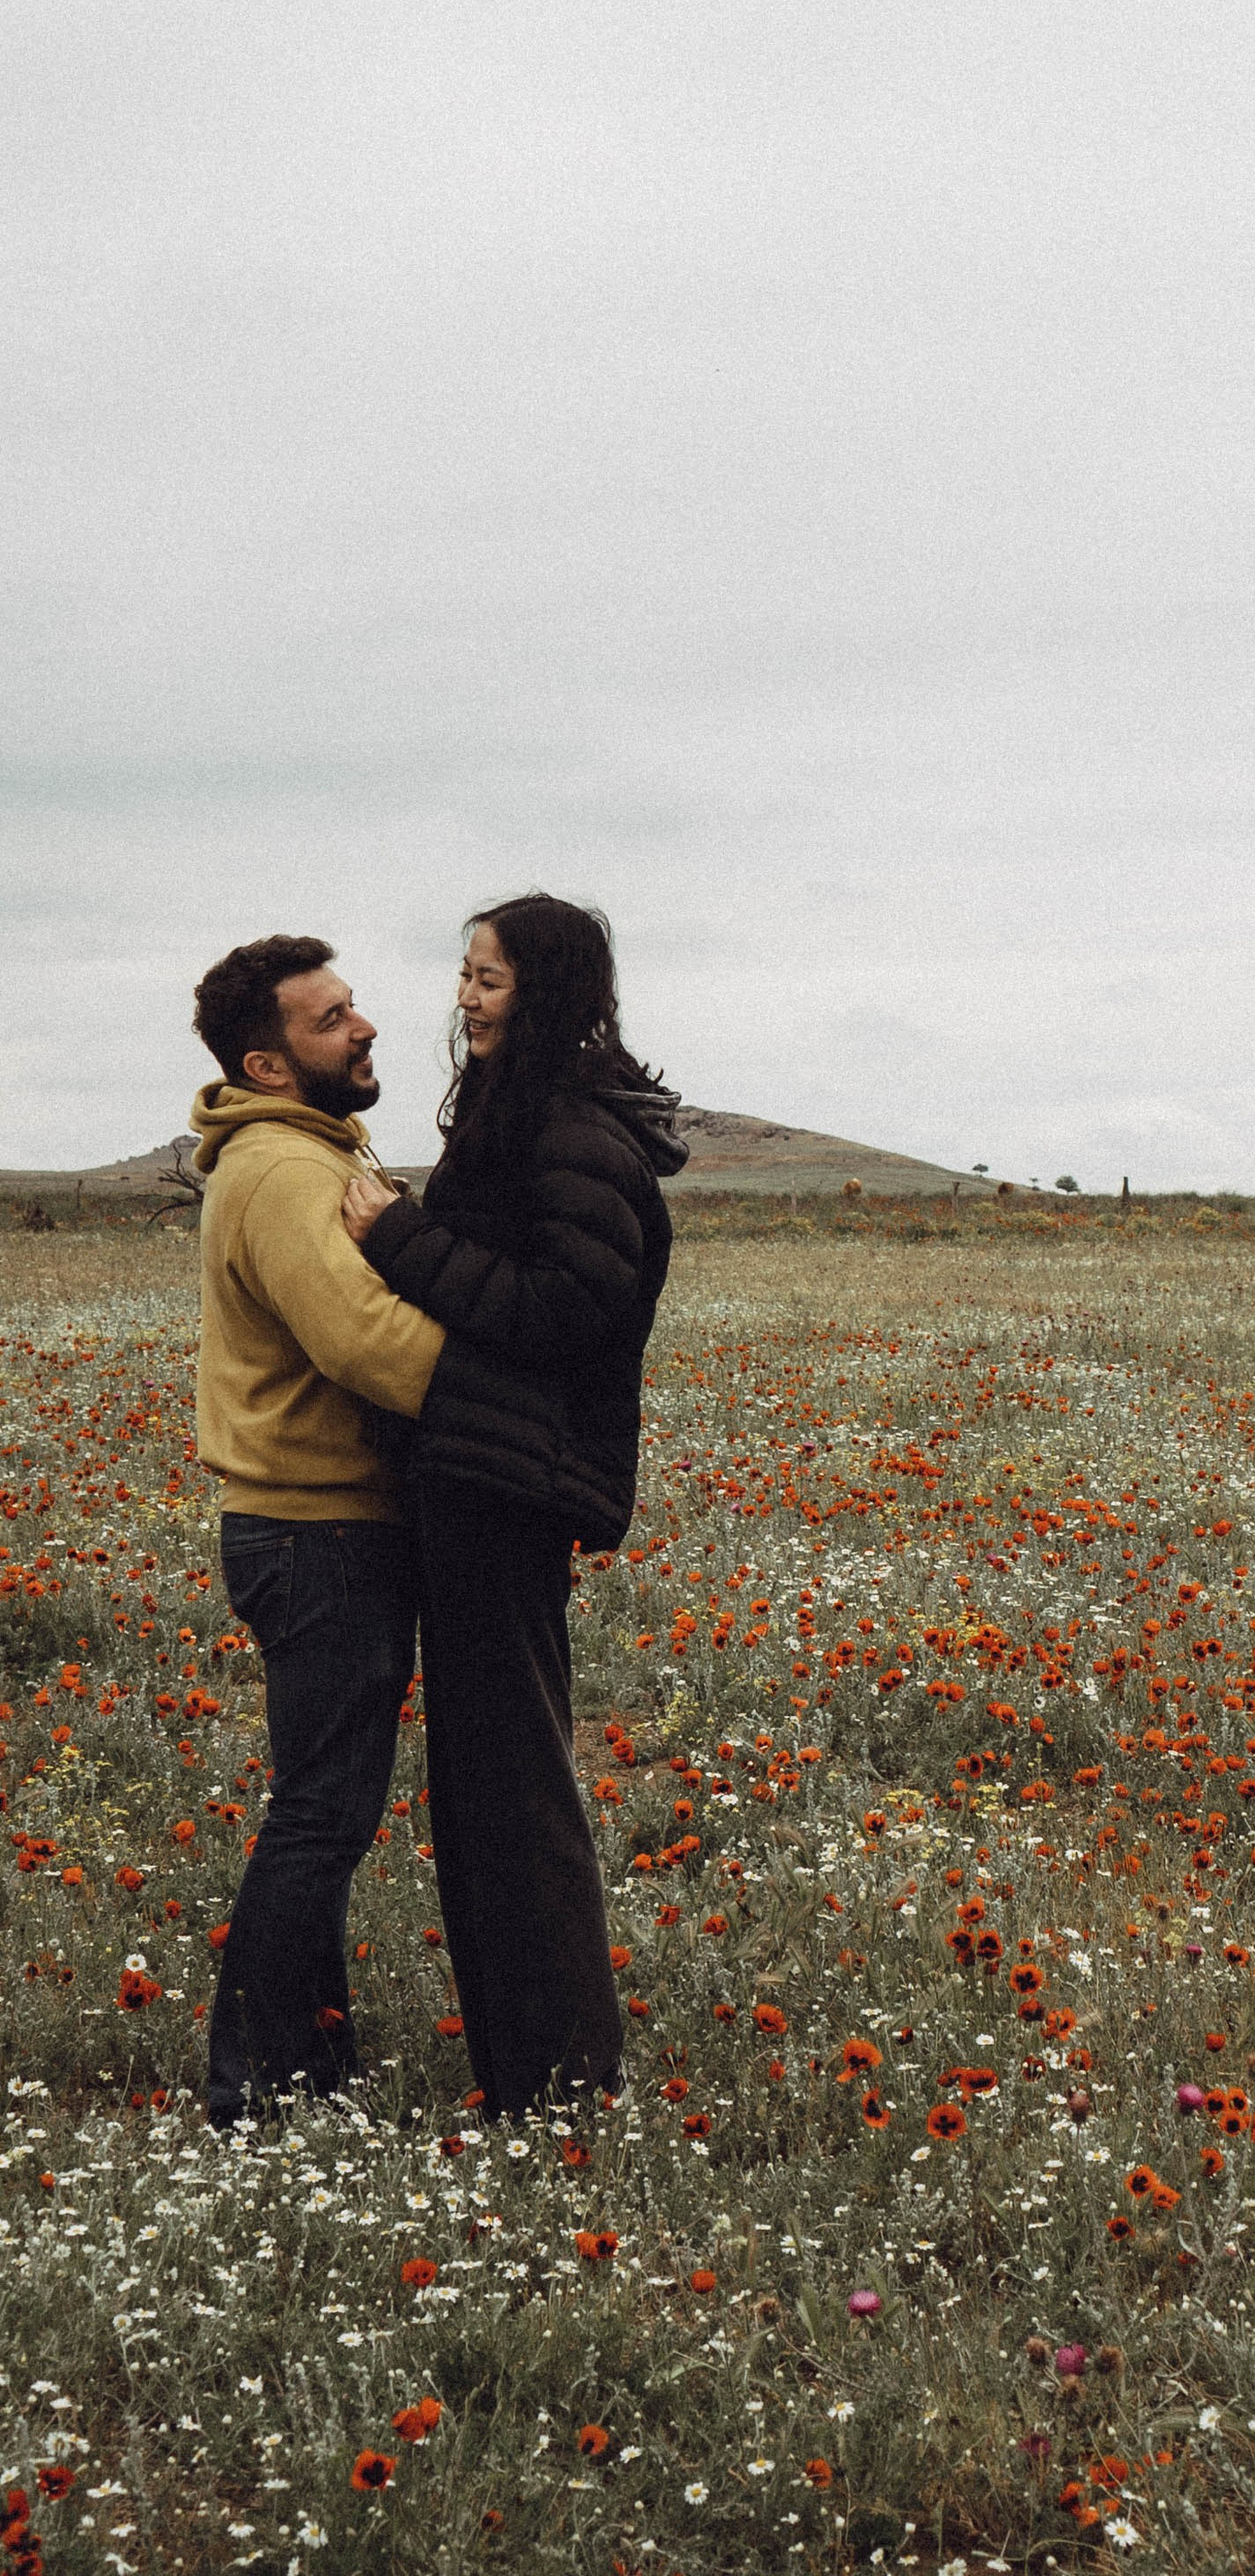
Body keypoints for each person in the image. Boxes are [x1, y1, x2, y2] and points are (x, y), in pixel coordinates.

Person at [341, 893, 686, 2117]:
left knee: (513, 1786)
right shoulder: (529, 1114)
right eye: (465, 975)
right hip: (484, 1476)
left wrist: (401, 1240)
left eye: (487, 978)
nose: (465, 997)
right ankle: (531, 2078)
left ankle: (563, 2085)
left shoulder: (569, 1130)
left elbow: (557, 1311)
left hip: (508, 1483)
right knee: (484, 1786)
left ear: (543, 988)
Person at [189, 937, 448, 2125]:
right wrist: (514, 1382)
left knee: (324, 1806)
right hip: (317, 1535)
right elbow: (363, 1343)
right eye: (332, 1017)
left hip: (309, 1530)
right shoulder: (287, 1173)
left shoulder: (295, 1152)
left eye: (354, 1007)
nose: (366, 1027)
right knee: (322, 1814)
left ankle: (307, 2064)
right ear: (270, 1060)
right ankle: (253, 2084)